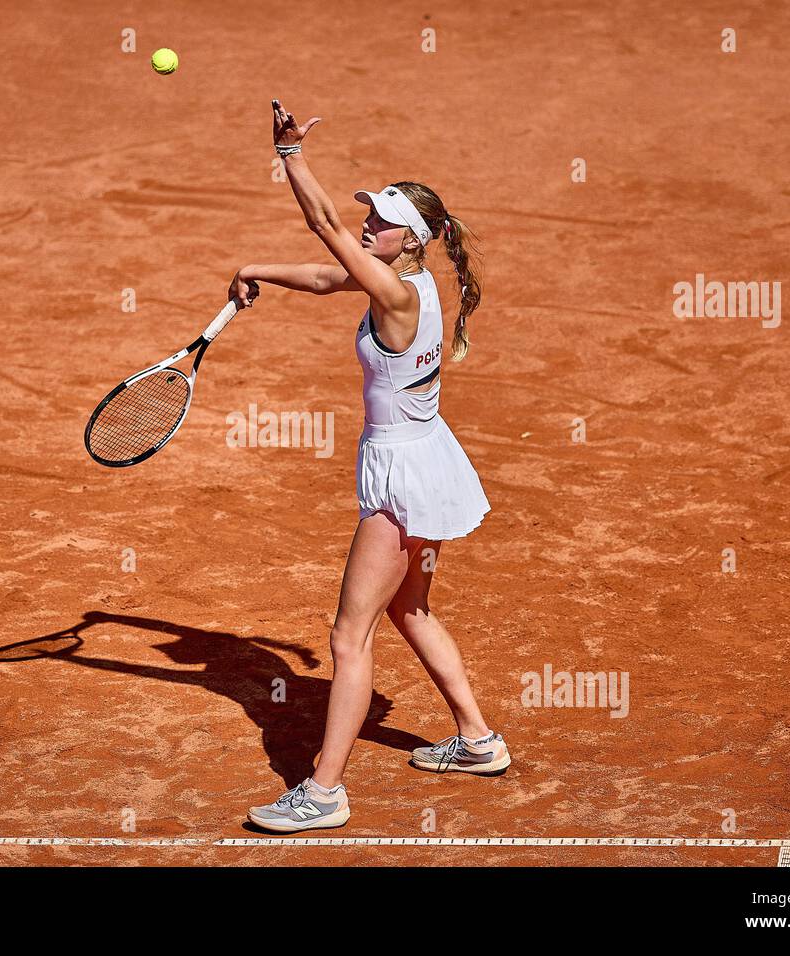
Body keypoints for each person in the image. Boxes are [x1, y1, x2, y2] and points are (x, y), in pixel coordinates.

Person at [229, 101, 510, 833]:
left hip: (398, 482)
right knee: (408, 609)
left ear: (410, 240)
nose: (367, 225)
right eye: (370, 217)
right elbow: (327, 276)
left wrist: (291, 158)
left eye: (381, 221)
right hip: (430, 462)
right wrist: (254, 268)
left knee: (348, 637)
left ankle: (323, 792)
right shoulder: (405, 282)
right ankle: (477, 740)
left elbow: (323, 229)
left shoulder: (391, 293)